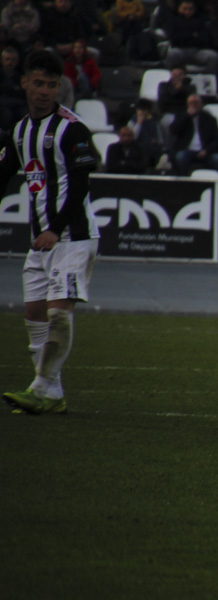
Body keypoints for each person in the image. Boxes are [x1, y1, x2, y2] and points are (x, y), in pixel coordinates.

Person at [1, 50, 99, 415]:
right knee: (34, 313)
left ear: (60, 86)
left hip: (73, 237)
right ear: (25, 82)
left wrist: (56, 230)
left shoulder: (72, 129)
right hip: (42, 239)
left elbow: (80, 185)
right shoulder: (20, 130)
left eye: (52, 85)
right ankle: (51, 391)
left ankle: (40, 387)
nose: (44, 91)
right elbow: (3, 175)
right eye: (38, 83)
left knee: (58, 314)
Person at [169, 94, 218, 175]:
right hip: (188, 151)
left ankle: (216, 182)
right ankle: (184, 180)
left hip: (205, 151)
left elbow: (217, 140)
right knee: (180, 157)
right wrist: (187, 116)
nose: (193, 105)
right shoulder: (182, 116)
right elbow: (173, 130)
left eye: (196, 102)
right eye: (191, 103)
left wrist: (207, 150)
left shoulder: (210, 119)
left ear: (201, 104)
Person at [164, 0, 218, 75]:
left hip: (197, 51)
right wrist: (192, 36)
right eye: (185, 9)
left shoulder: (200, 21)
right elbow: (174, 39)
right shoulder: (173, 21)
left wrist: (185, 36)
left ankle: (208, 80)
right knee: (172, 54)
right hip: (180, 50)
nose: (187, 12)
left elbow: (204, 39)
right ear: (179, 8)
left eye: (190, 9)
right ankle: (171, 79)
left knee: (214, 57)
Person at [128, 98, 168, 171]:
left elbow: (161, 140)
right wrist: (139, 123)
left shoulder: (154, 122)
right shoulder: (133, 121)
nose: (141, 112)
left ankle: (159, 166)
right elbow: (132, 137)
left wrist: (157, 141)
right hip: (137, 147)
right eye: (139, 110)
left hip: (151, 148)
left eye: (143, 110)